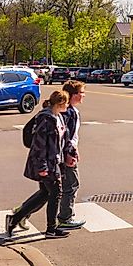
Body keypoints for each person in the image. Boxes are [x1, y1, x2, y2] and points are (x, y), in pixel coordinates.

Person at [5, 90, 71, 239]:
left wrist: (70, 152)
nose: (67, 105)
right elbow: (39, 145)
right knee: (55, 193)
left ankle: (14, 219)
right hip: (47, 163)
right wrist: (42, 167)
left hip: (55, 162)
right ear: (60, 103)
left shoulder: (58, 117)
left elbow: (63, 140)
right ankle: (51, 229)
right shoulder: (46, 119)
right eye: (66, 102)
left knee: (45, 193)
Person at [57, 80, 86, 230]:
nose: (83, 95)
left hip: (61, 154)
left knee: (50, 190)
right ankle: (65, 218)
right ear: (73, 95)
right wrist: (70, 153)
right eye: (81, 93)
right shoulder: (70, 112)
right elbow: (66, 136)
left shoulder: (66, 110)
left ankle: (20, 213)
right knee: (71, 184)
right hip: (65, 155)